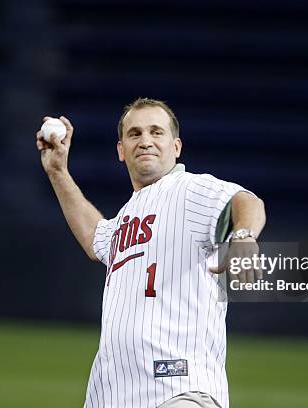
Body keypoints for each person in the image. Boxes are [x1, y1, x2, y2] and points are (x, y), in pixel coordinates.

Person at [36, 98, 266, 408]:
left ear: (176, 147)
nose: (145, 140)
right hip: (112, 396)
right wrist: (58, 172)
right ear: (121, 151)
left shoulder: (188, 190)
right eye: (135, 134)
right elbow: (95, 238)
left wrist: (243, 235)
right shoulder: (129, 213)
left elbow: (245, 200)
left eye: (156, 132)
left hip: (179, 391)